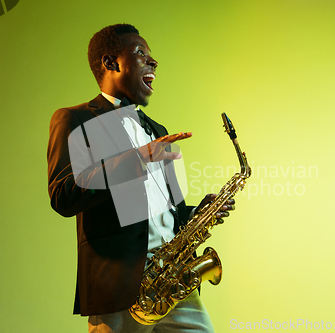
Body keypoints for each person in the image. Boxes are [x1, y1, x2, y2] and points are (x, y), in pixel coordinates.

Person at [47, 23, 235, 333]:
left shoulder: (158, 132)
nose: (153, 61)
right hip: (120, 283)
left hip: (173, 278)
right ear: (111, 63)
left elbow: (163, 213)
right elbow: (64, 194)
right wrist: (138, 158)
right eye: (141, 53)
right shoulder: (74, 119)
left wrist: (198, 213)